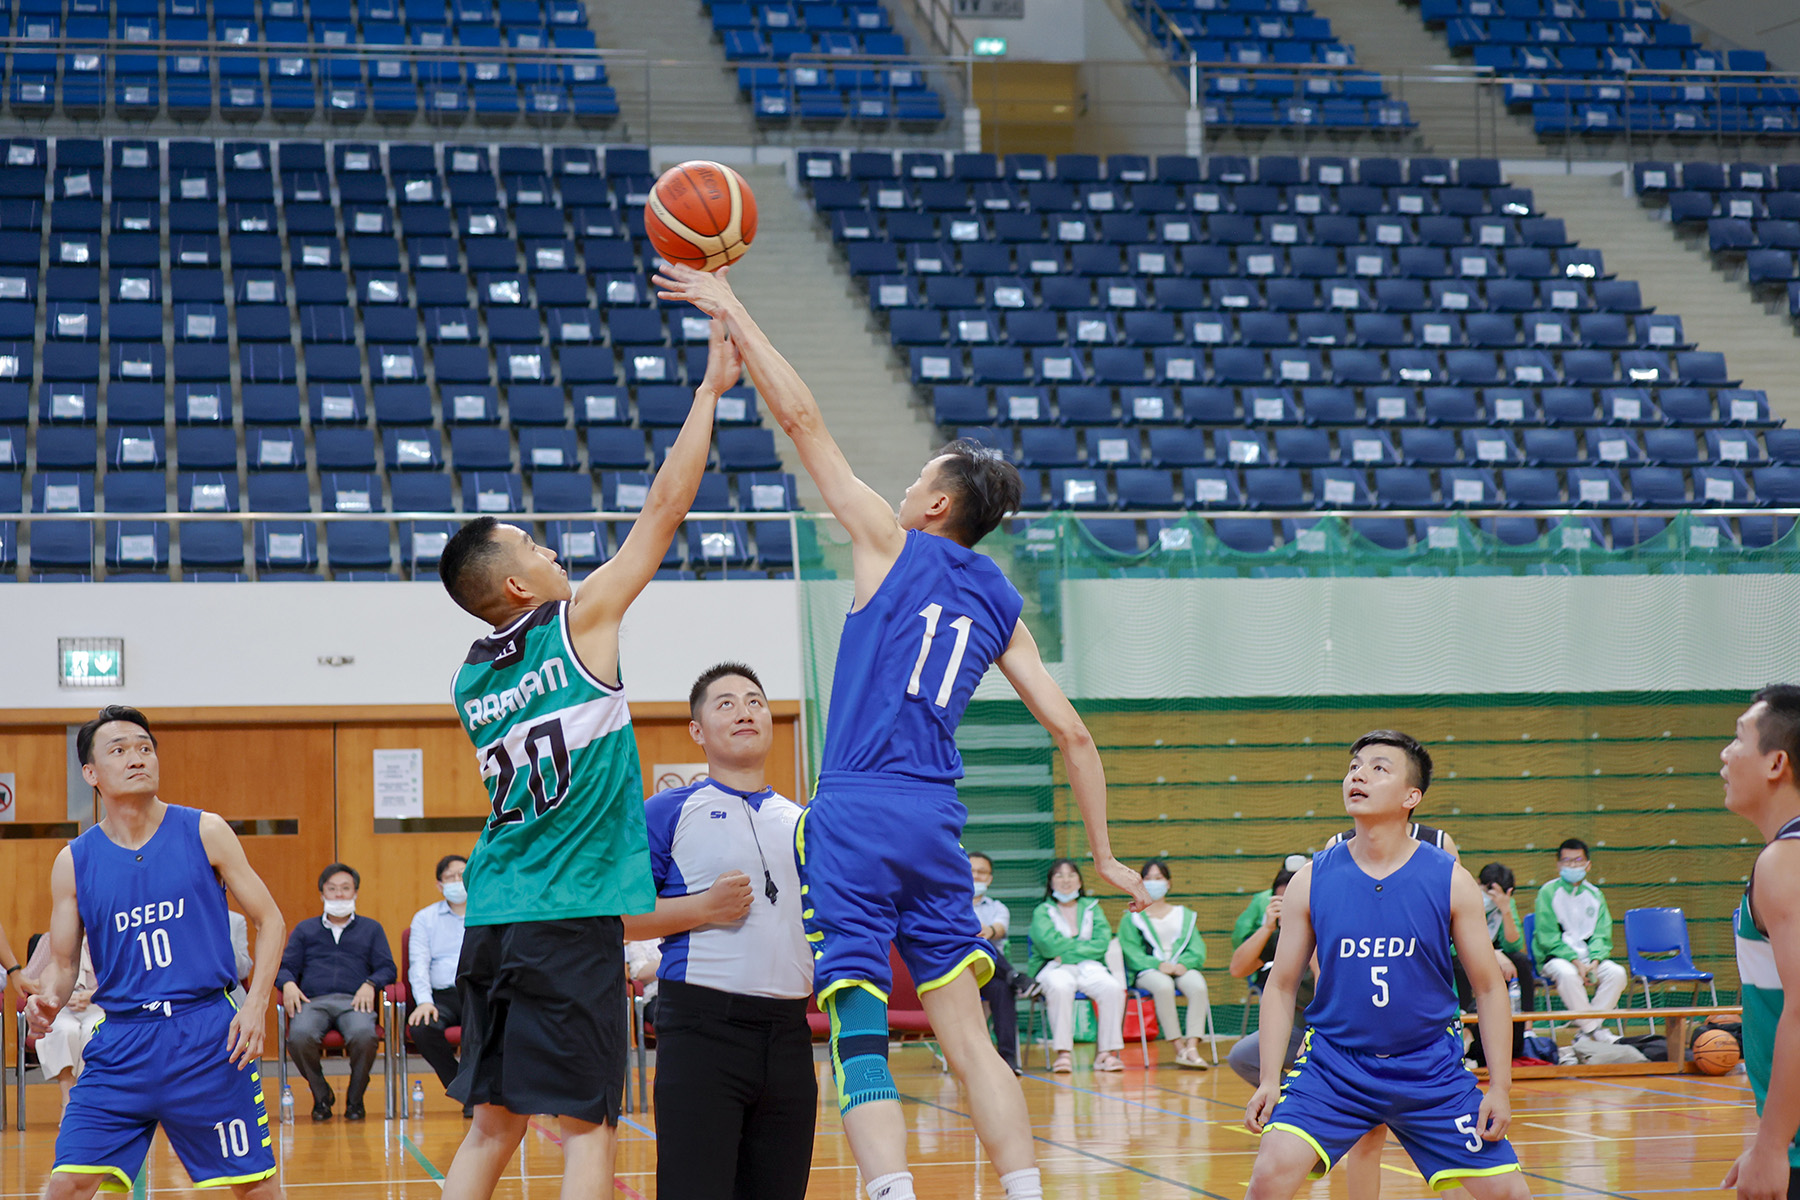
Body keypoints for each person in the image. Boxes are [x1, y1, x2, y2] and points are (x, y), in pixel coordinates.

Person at [654, 261, 1148, 1200]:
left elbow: (802, 424)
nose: (903, 485)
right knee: (965, 1032)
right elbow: (1075, 736)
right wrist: (1106, 852)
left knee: (858, 1020)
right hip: (935, 821)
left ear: (932, 507)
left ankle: (891, 1190)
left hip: (853, 816)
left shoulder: (888, 541)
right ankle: (1026, 1186)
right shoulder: (1001, 598)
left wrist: (733, 309)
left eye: (917, 477)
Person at [433, 319, 738, 1200]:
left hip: (494, 913)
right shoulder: (578, 626)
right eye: (535, 545)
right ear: (520, 587)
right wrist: (708, 393)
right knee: (588, 1130)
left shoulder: (468, 677)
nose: (554, 550)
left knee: (493, 1123)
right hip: (568, 920)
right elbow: (663, 513)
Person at [1243, 731, 1527, 1200]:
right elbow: (1280, 985)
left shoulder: (1449, 879)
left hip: (1430, 1069)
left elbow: (1490, 988)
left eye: (1379, 768)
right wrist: (1270, 1079)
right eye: (1355, 766)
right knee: (1270, 1173)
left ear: (1411, 796)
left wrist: (1501, 1086)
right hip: (1335, 1066)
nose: (1359, 774)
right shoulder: (1311, 880)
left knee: (1510, 1194)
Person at [25, 705, 287, 1200]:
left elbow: (270, 920)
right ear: (91, 773)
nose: (137, 757)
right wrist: (49, 1001)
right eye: (119, 750)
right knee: (68, 1185)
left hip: (207, 1034)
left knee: (255, 1188)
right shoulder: (74, 861)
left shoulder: (205, 830)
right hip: (122, 1040)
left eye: (145, 748)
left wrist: (255, 1005)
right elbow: (62, 965)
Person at [627, 662, 815, 1200]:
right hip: (702, 1029)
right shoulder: (667, 811)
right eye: (725, 703)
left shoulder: (803, 821)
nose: (744, 711)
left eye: (755, 701)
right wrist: (703, 908)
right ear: (697, 730)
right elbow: (618, 921)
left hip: (789, 1036)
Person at [1720, 685, 1800, 1200]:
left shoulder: (1784, 862)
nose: (1726, 754)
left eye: (1738, 738)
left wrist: (1772, 1146)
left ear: (1776, 763)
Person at [278, 863, 397, 1121]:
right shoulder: (305, 930)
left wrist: (370, 983)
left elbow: (388, 968)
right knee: (299, 1036)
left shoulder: (371, 929)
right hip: (312, 1001)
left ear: (355, 892)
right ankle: (321, 1094)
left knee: (364, 1035)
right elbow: (285, 968)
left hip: (354, 1000)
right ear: (322, 894)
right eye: (332, 889)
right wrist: (288, 984)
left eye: (345, 889)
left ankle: (355, 1099)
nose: (339, 895)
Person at [1028, 859, 1126, 1075]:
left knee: (1112, 988)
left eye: (1071, 875)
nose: (1066, 880)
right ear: (1051, 882)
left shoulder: (1092, 907)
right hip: (1054, 967)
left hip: (1090, 967)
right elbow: (1048, 945)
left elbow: (1101, 943)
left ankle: (1105, 1054)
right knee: (1060, 987)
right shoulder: (1043, 911)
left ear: (1080, 881)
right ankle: (1063, 1054)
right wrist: (1081, 946)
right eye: (1059, 875)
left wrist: (1068, 951)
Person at [1119, 858, 1210, 1069]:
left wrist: (1183, 964)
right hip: (1149, 970)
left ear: (1168, 883)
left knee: (1197, 986)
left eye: (1158, 878)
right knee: (1163, 986)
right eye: (1148, 878)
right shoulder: (1132, 917)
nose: (1153, 882)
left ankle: (1192, 1046)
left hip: (1180, 967)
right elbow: (1131, 952)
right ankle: (1178, 1048)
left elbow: (1197, 949)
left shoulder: (1184, 915)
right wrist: (1157, 964)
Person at [1531, 838, 1626, 1039]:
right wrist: (1575, 961)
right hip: (1556, 959)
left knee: (1617, 973)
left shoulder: (1596, 895)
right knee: (1567, 974)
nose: (1572, 865)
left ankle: (1586, 1031)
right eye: (1567, 861)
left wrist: (1594, 962)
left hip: (1590, 960)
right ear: (1558, 865)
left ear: (1588, 865)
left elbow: (1602, 934)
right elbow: (1547, 937)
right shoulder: (1547, 892)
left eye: (1578, 860)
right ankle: (1594, 1031)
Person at [1227, 857, 1309, 1086]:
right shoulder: (1281, 938)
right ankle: (1293, 1102)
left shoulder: (1328, 933)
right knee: (1242, 1057)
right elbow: (1238, 968)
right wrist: (1267, 927)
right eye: (1281, 901)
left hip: (1329, 1030)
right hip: (1297, 1026)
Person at [1454, 863, 1535, 1065]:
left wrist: (1505, 910)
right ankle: (1465, 1024)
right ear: (1479, 884)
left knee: (1522, 963)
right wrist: (1492, 954)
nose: (1491, 896)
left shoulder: (1506, 903)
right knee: (1458, 964)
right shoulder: (1466, 898)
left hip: (1496, 955)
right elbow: (1455, 943)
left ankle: (1526, 1025)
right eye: (1488, 890)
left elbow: (1513, 943)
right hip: (1465, 952)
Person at [408, 854, 469, 1103]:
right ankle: (462, 1088)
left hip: (478, 992)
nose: (457, 881)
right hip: (441, 996)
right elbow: (418, 964)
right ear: (439, 885)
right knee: (422, 1028)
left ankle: (477, 1092)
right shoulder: (425, 918)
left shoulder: (489, 913)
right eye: (450, 877)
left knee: (489, 1026)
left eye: (462, 876)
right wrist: (424, 1001)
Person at [970, 851, 1024, 1073]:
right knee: (974, 941)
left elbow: (999, 930)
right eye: (970, 871)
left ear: (990, 878)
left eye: (981, 872)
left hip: (989, 971)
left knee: (1002, 989)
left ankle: (1007, 1060)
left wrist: (986, 931)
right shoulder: (949, 904)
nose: (975, 876)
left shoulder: (998, 907)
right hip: (958, 972)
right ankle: (1014, 975)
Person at [37, 942, 102, 1118]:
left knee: (93, 1031)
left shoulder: (106, 936)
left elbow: (122, 979)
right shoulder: (49, 940)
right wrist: (54, 993)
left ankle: (86, 1098)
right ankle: (68, 1099)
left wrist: (93, 995)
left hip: (99, 1005)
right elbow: (27, 980)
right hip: (59, 1007)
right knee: (64, 1030)